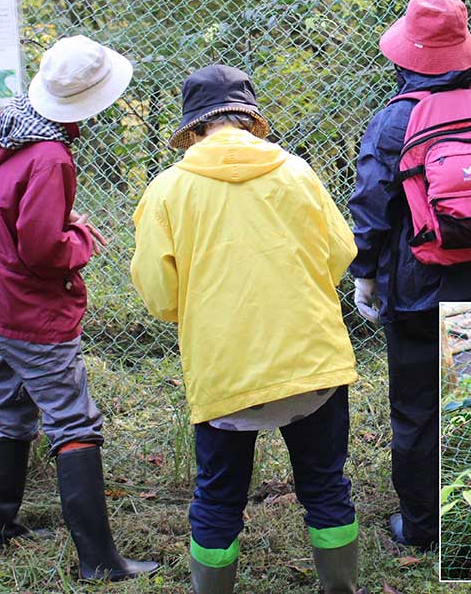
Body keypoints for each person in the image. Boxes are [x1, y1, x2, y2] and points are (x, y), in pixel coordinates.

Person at [131, 65, 361, 594]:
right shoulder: (298, 173)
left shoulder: (166, 191)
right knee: (326, 486)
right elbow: (340, 253)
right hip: (312, 363)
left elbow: (160, 295)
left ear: (193, 129)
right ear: (251, 119)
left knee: (217, 496)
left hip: (225, 371)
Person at [0, 35, 158, 582]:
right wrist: (80, 241)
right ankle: (98, 561)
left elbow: (15, 217)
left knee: (9, 409)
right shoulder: (50, 157)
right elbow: (42, 251)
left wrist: (60, 227)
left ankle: (3, 528)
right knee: (74, 423)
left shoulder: (10, 124)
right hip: (29, 309)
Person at [349, 0, 471, 551]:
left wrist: (365, 275)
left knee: (415, 408)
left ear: (406, 54)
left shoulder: (393, 123)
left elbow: (371, 207)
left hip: (415, 289)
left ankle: (422, 525)